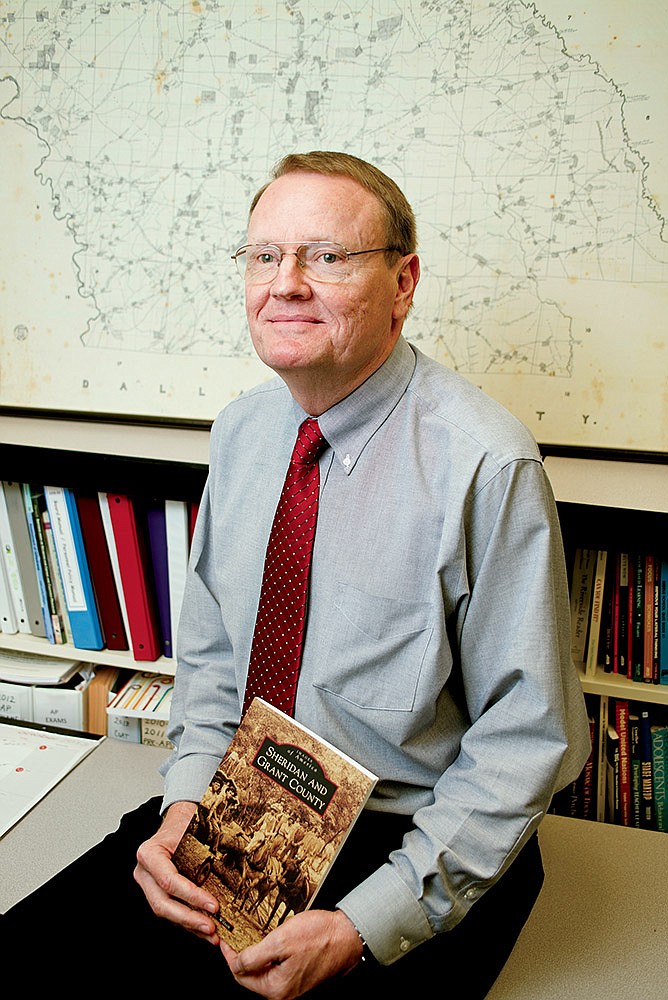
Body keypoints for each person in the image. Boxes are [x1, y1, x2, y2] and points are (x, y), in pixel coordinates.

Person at [2, 151, 591, 999]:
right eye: (264, 256)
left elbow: (528, 735)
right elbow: (210, 660)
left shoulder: (486, 466)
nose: (285, 284)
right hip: (240, 801)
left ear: (403, 280)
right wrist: (187, 807)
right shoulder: (241, 435)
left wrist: (366, 924)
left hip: (410, 835)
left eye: (327, 256)